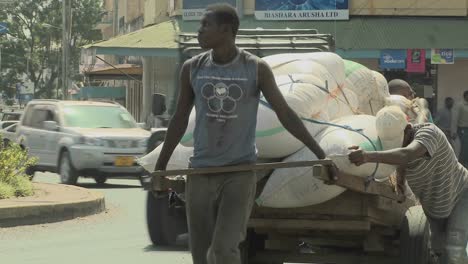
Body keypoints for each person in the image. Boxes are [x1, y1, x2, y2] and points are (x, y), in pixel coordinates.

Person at [154, 4, 334, 264]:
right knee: (201, 254)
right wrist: (161, 166)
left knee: (224, 249)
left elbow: (285, 113)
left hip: (239, 173)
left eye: (206, 25)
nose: (199, 31)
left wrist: (319, 154)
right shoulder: (192, 68)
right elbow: (180, 118)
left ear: (226, 30)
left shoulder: (256, 68)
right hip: (201, 172)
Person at [348, 106, 468, 264]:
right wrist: (400, 185)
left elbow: (406, 155)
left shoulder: (428, 133)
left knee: (454, 250)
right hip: (434, 206)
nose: (397, 146)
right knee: (437, 251)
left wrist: (367, 156)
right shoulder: (403, 145)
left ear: (408, 129)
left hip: (460, 194)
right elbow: (401, 163)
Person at [452, 91, 468, 168]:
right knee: (465, 147)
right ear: (465, 96)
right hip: (462, 129)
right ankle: (461, 164)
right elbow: (455, 118)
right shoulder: (460, 105)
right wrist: (454, 131)